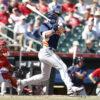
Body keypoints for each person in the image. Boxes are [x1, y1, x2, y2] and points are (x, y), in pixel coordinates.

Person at [17, 10, 83, 95]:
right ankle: (70, 88)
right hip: (46, 51)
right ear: (50, 17)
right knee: (62, 66)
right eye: (54, 16)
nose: (57, 17)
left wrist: (56, 27)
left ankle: (23, 82)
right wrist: (53, 29)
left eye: (57, 16)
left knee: (44, 76)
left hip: (49, 52)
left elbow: (62, 31)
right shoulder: (44, 25)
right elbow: (45, 35)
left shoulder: (56, 25)